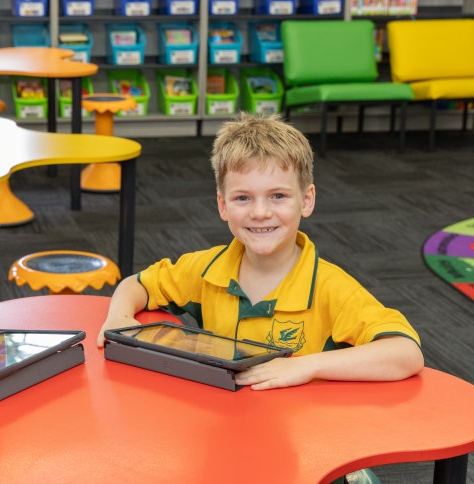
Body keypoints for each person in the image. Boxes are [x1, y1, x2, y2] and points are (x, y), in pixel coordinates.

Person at [97, 112, 424, 391]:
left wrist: (306, 366)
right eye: (243, 198)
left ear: (306, 200)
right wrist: (119, 316)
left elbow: (405, 353)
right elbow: (137, 284)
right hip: (229, 427)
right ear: (222, 206)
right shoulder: (208, 269)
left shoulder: (331, 287)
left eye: (278, 196)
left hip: (303, 441)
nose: (260, 212)